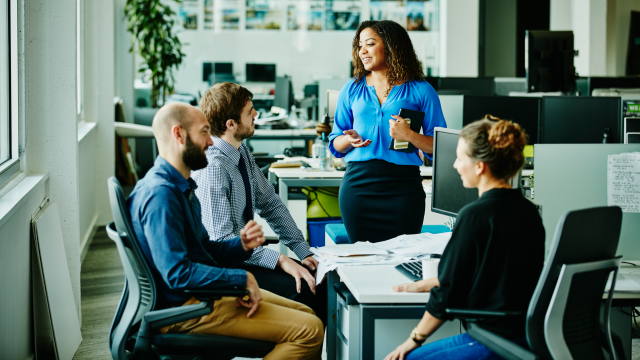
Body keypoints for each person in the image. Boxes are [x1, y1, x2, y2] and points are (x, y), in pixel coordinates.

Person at [128, 102, 323, 360]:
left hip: (200, 294)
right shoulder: (160, 195)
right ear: (179, 135)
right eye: (204, 132)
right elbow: (177, 273)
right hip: (188, 306)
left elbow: (203, 248)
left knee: (308, 314)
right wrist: (240, 279)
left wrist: (240, 245)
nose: (211, 142)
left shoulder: (180, 184)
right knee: (310, 330)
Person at [383, 117, 545, 360]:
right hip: (527, 336)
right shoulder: (528, 210)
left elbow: (448, 293)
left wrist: (412, 341)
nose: (456, 165)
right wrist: (431, 282)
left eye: (460, 158)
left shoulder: (475, 215)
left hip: (492, 338)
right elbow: (496, 272)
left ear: (480, 166)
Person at [192, 82, 326, 325]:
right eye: (250, 112)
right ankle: (296, 342)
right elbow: (222, 242)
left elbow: (270, 204)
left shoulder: (240, 153)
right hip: (226, 267)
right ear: (230, 124)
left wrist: (302, 251)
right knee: (306, 289)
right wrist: (280, 259)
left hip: (245, 257)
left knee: (318, 277)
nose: (256, 115)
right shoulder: (213, 168)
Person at [328, 20, 447, 244]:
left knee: (404, 260)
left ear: (391, 47)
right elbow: (334, 144)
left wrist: (410, 136)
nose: (362, 51)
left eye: (370, 44)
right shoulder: (352, 88)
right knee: (362, 259)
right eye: (359, 45)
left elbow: (441, 148)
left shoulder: (421, 90)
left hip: (403, 189)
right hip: (358, 187)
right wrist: (348, 139)